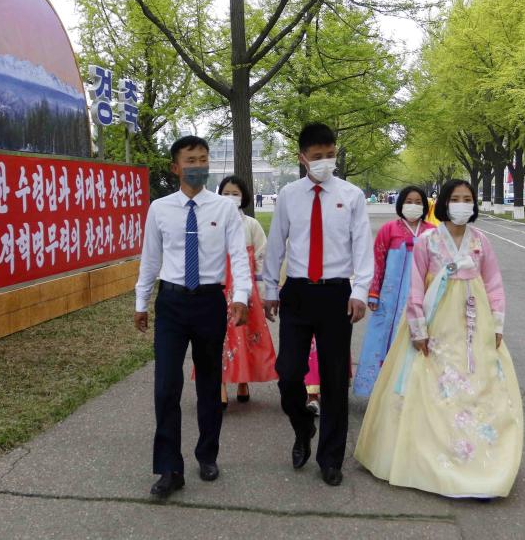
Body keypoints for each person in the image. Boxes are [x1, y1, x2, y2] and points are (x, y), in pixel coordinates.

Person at [354, 179, 523, 498]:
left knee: (478, 384)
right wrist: (418, 330)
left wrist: (497, 325)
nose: (462, 204)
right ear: (444, 203)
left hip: (474, 325)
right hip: (435, 324)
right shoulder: (428, 242)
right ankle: (426, 454)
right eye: (455, 198)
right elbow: (416, 288)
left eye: (467, 199)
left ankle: (479, 457)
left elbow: (494, 285)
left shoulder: (481, 242)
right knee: (433, 384)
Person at [135, 136, 251, 499]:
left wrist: (242, 297)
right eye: (190, 160)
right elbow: (150, 259)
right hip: (170, 302)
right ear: (175, 167)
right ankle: (170, 468)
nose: (198, 165)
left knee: (208, 384)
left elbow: (240, 256)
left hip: (208, 303)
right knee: (166, 386)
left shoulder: (225, 209)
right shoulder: (160, 208)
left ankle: (207, 454)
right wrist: (141, 302)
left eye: (203, 159)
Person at [262, 122, 374, 487]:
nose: (325, 161)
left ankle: (330, 458)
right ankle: (302, 425)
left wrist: (359, 291)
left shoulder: (352, 195)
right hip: (296, 291)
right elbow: (276, 243)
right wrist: (269, 289)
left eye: (330, 155)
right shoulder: (289, 195)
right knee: (289, 372)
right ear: (302, 158)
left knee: (334, 378)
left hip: (336, 294)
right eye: (317, 156)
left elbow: (362, 247)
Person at [353, 186, 435, 398]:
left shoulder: (432, 233)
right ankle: (378, 392)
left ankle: (412, 393)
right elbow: (378, 261)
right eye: (409, 201)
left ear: (425, 206)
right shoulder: (389, 230)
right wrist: (373, 292)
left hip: (420, 300)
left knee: (415, 340)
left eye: (418, 202)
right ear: (400, 203)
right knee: (381, 340)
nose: (414, 206)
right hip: (388, 300)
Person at [215, 175, 276, 408]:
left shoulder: (251, 225)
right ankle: (219, 384)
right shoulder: (212, 223)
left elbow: (262, 258)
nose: (231, 198)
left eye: (235, 193)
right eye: (226, 193)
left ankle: (243, 381)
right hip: (218, 291)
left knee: (244, 337)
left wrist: (260, 291)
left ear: (244, 197)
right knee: (218, 338)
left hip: (245, 291)